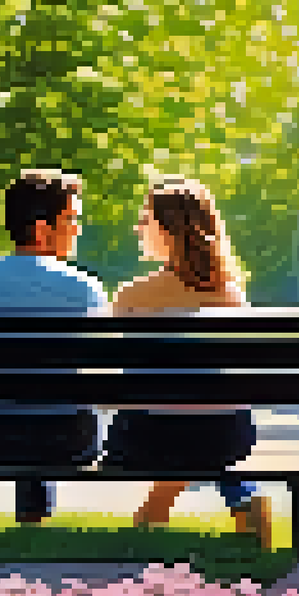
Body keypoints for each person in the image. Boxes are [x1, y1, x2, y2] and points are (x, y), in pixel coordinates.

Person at [96, 177, 271, 547]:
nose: (138, 228)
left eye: (145, 219)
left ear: (169, 230)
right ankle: (242, 495)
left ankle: (156, 516)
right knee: (204, 432)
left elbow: (111, 375)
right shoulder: (230, 294)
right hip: (228, 437)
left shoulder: (133, 295)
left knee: (164, 427)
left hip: (145, 439)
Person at [0, 169, 107, 525]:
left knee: (24, 403)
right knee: (50, 405)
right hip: (68, 443)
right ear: (40, 228)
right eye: (71, 219)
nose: (78, 228)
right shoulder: (84, 288)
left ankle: (32, 518)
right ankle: (35, 518)